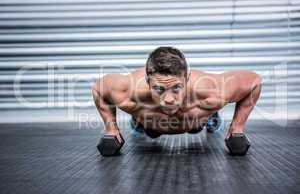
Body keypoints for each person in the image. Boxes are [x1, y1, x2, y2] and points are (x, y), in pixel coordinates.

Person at [91, 46, 262, 141]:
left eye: (176, 88)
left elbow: (254, 82)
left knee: (204, 116)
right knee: (148, 129)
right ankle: (139, 120)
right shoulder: (128, 91)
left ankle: (211, 117)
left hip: (197, 119)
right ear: (147, 81)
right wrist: (111, 130)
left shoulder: (212, 91)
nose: (169, 99)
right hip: (150, 124)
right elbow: (98, 89)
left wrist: (237, 127)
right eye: (159, 89)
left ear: (187, 79)